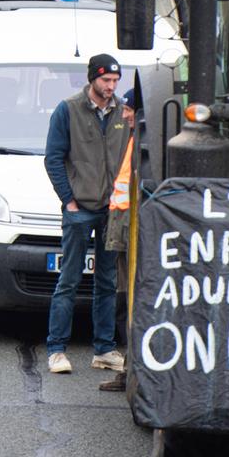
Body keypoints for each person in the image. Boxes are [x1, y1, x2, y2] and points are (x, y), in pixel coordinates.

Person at [41, 52, 131, 376]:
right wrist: (69, 201)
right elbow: (53, 158)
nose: (111, 87)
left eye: (115, 81)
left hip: (111, 211)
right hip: (80, 209)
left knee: (107, 282)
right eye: (106, 80)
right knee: (69, 280)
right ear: (92, 77)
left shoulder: (123, 112)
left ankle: (104, 349)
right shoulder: (68, 110)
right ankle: (56, 350)